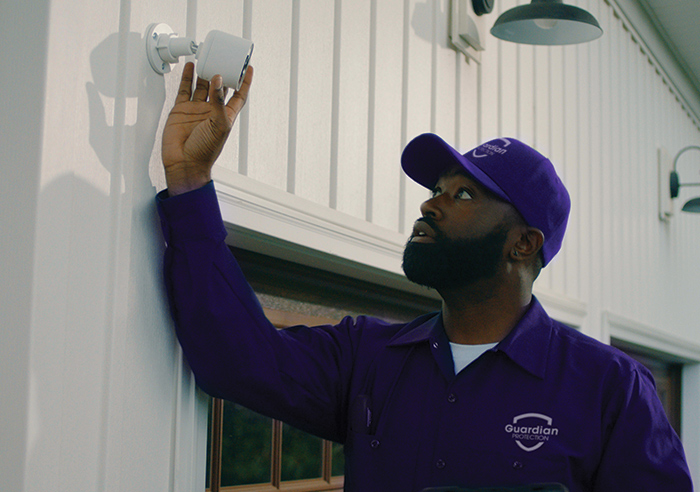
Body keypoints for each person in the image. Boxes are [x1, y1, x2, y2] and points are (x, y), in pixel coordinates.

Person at [155, 62, 693, 492]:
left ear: (524, 243)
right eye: (437, 188)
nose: (431, 204)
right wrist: (190, 181)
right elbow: (238, 360)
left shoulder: (609, 389)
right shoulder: (366, 357)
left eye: (462, 195)